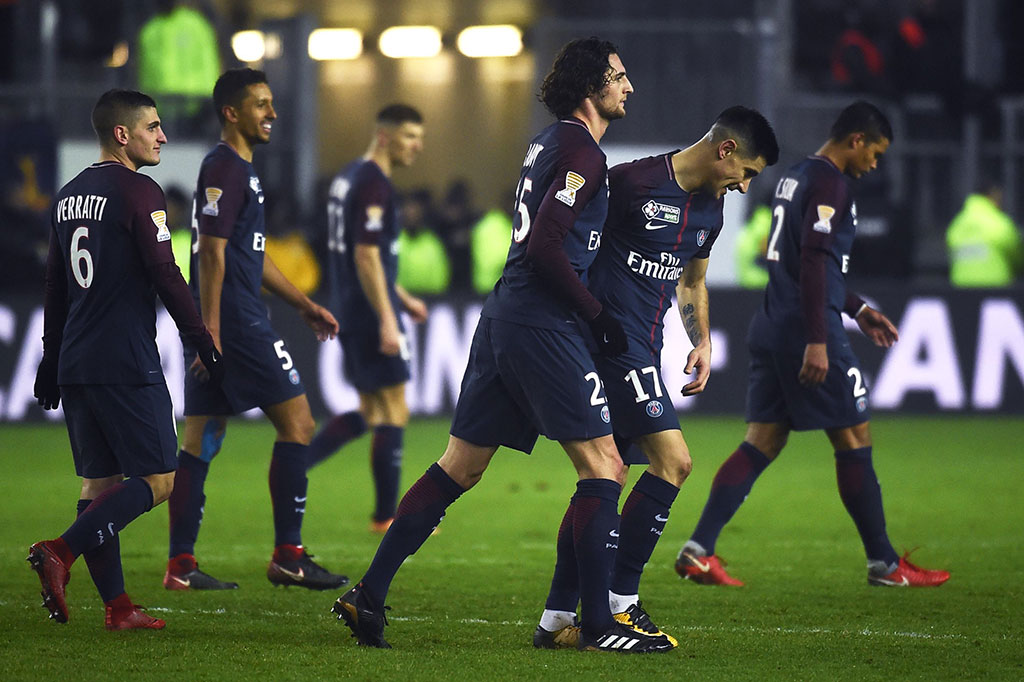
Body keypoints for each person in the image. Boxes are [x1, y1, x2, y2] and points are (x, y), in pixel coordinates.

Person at [330, 37, 672, 654]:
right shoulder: (581, 152)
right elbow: (546, 245)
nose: (628, 87)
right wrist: (595, 314)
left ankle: (367, 595)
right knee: (605, 466)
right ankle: (598, 626)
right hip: (541, 322)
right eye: (618, 77)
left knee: (461, 464)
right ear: (592, 88)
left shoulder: (548, 141)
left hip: (503, 315)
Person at [674, 101, 951, 588]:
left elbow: (803, 260)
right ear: (857, 140)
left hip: (770, 324)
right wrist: (820, 340)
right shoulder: (831, 183)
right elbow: (815, 264)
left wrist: (859, 309)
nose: (876, 164)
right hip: (805, 330)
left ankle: (699, 550)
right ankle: (884, 564)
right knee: (854, 437)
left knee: (762, 439)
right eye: (877, 152)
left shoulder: (797, 176)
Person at [534, 106, 779, 650]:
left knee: (601, 482)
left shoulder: (710, 213)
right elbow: (572, 251)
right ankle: (621, 603)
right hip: (609, 346)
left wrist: (703, 339)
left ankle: (556, 618)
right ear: (726, 150)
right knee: (674, 462)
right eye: (748, 172)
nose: (745, 186)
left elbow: (692, 284)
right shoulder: (630, 183)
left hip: (648, 348)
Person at [27, 89, 223, 630]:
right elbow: (166, 273)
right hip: (124, 359)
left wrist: (50, 356)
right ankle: (60, 552)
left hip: (77, 361)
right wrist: (200, 335)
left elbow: (54, 284)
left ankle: (118, 609)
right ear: (122, 134)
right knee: (161, 479)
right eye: (153, 127)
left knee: (97, 488)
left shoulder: (67, 196)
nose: (162, 136)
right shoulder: (140, 191)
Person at [163, 68, 347, 592]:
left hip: (226, 316)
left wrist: (305, 303)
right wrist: (214, 331)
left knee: (201, 435)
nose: (271, 114)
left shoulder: (240, 169)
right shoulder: (226, 166)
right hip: (236, 321)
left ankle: (180, 566)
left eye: (272, 103)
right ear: (232, 113)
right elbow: (214, 255)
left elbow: (252, 255)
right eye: (261, 105)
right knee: (300, 423)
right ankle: (288, 555)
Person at [307, 105, 428, 532]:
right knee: (395, 408)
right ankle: (387, 516)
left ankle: (296, 463)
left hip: (351, 304)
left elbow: (367, 256)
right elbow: (365, 255)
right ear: (384, 135)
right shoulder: (375, 184)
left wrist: (402, 297)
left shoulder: (348, 176)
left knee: (372, 409)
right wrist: (388, 319)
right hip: (368, 311)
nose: (418, 145)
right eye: (410, 135)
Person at [946, 178, 1022, 287]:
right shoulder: (999, 223)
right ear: (994, 195)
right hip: (996, 293)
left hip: (961, 291)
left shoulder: (957, 224)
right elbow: (1017, 257)